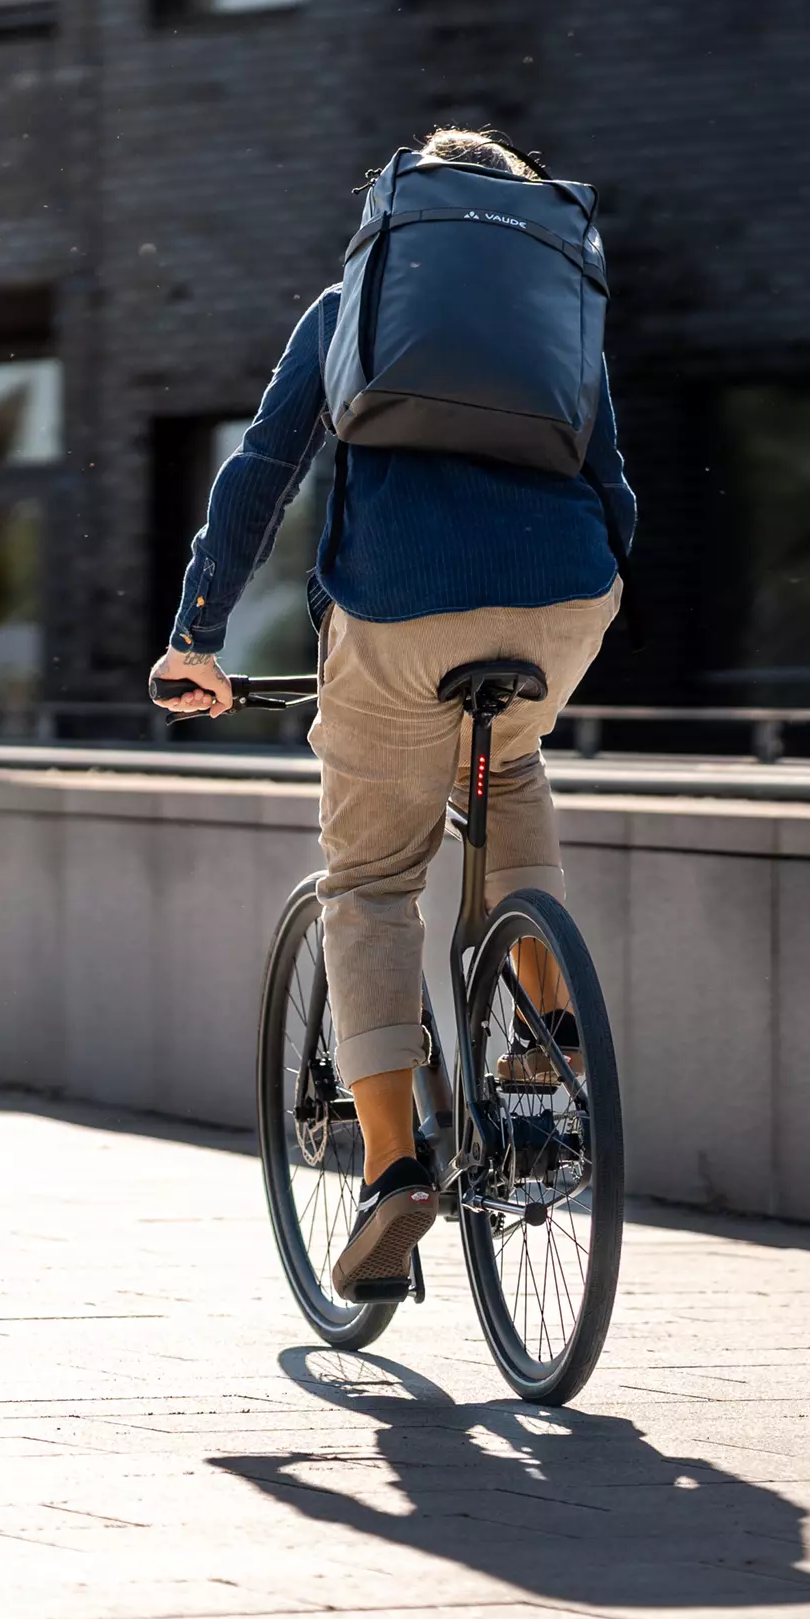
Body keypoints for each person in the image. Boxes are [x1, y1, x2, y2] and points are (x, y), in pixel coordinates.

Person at [151, 124, 637, 1298]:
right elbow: (613, 485)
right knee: (508, 766)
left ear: (400, 213)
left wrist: (197, 637)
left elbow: (260, 471)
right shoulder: (556, 305)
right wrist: (569, 603)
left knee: (368, 879)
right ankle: (543, 1046)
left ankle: (392, 1171)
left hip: (402, 607)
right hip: (568, 597)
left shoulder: (352, 307)